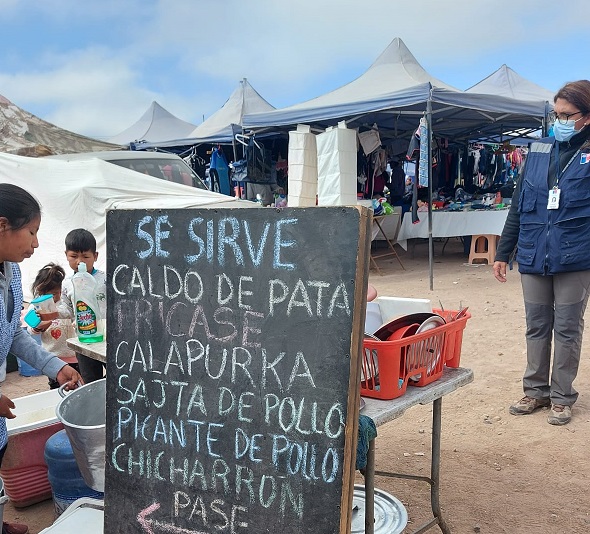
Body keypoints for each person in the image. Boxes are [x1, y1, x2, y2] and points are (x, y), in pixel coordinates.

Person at [493, 80, 590, 426]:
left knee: (567, 328)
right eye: (556, 114)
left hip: (575, 256)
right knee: (536, 325)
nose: (559, 120)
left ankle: (562, 397)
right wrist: (503, 252)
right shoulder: (537, 150)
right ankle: (535, 391)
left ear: (586, 117)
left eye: (567, 115)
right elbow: (518, 206)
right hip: (534, 254)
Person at [0, 183, 82, 534]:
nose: (35, 243)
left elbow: (13, 331)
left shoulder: (12, 271)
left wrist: (56, 365)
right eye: (31, 232)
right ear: (2, 226)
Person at [61, 229, 106, 384]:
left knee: (116, 377)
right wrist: (49, 314)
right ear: (66, 255)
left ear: (95, 256)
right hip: (85, 339)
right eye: (74, 256)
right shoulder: (67, 283)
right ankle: (95, 408)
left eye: (86, 256)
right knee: (91, 381)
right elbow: (67, 309)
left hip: (107, 339)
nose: (80, 261)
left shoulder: (105, 279)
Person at [27, 263, 79, 389]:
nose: (55, 297)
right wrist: (38, 327)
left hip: (74, 356)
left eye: (57, 293)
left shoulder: (65, 303)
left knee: (77, 383)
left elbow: (72, 315)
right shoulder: (36, 307)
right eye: (51, 294)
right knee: (58, 388)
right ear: (40, 290)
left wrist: (73, 322)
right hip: (53, 357)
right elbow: (30, 329)